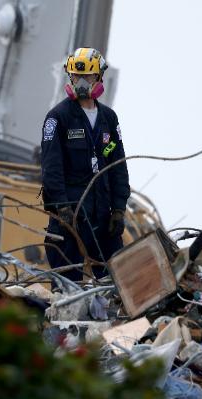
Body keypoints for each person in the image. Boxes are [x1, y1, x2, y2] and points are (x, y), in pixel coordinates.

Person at [39, 47, 130, 282]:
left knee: (114, 282)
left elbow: (118, 164)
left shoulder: (109, 119)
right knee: (67, 283)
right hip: (71, 218)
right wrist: (62, 208)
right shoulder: (57, 118)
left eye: (87, 76)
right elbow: (51, 168)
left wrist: (119, 209)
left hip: (103, 218)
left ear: (99, 77)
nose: (81, 82)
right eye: (76, 76)